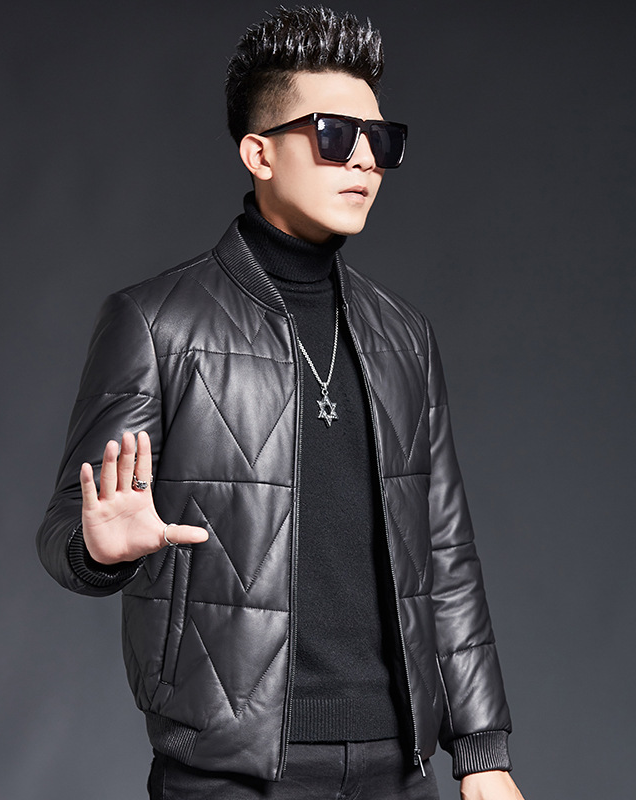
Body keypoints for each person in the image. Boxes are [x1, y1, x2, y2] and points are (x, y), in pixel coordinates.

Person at [37, 7, 525, 799]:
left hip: (398, 768)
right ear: (258, 153)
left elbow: (446, 555)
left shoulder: (404, 337)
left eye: (381, 140)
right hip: (230, 772)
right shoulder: (158, 323)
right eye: (334, 135)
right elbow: (67, 527)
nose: (363, 160)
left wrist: (483, 749)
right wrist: (98, 548)